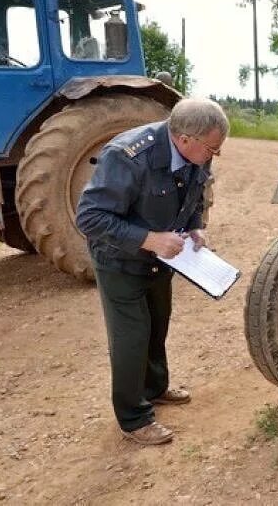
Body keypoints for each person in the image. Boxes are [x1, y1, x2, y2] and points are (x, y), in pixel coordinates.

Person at [76, 98, 229, 445]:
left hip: (163, 260)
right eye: (212, 149)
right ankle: (134, 419)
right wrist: (149, 239)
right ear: (186, 138)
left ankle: (155, 388)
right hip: (120, 260)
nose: (213, 156)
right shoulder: (127, 156)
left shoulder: (194, 153)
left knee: (158, 323)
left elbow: (194, 194)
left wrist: (195, 227)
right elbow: (89, 217)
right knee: (132, 336)